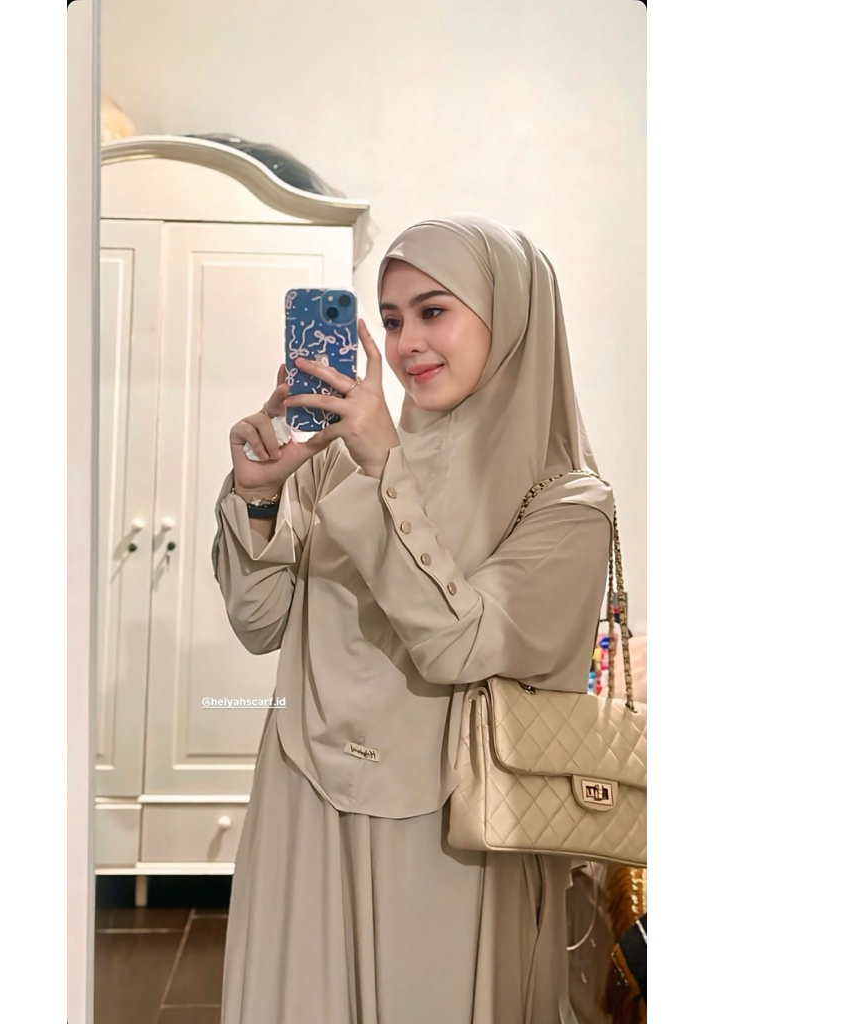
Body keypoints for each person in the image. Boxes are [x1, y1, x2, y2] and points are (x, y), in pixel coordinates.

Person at [211, 213, 615, 1023]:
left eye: (434, 312)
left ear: (512, 316)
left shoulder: (568, 504)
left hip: (451, 826)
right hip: (307, 797)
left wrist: (383, 471)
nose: (406, 345)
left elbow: (459, 645)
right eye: (392, 320)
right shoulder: (338, 461)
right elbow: (260, 622)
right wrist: (259, 496)